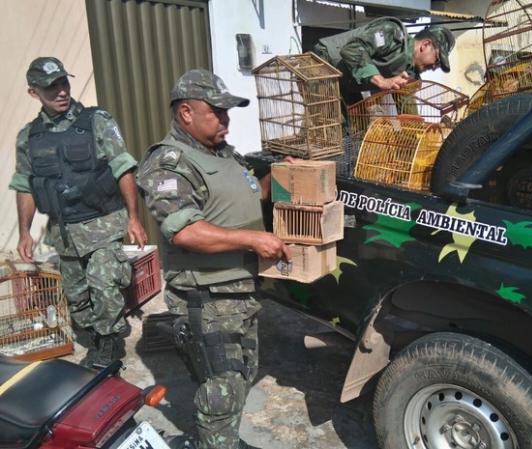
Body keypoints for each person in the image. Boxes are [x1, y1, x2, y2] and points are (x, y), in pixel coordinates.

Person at [136, 69, 290, 449]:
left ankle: (223, 440)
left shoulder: (225, 154)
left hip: (239, 289)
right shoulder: (168, 163)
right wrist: (253, 239)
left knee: (240, 375)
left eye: (227, 112)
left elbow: (248, 198)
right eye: (216, 112)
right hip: (206, 296)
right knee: (221, 387)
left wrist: (282, 174)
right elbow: (185, 231)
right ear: (186, 112)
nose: (225, 119)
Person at [9, 57, 148, 368]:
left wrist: (134, 218)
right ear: (34, 93)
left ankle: (108, 348)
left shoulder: (97, 121)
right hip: (65, 232)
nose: (61, 92)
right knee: (77, 298)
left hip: (104, 225)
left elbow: (123, 167)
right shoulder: (28, 137)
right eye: (51, 87)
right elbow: (25, 185)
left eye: (63, 83)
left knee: (104, 283)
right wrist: (24, 232)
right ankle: (98, 333)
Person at [314, 17, 455, 107]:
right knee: (330, 133)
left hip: (346, 82)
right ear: (425, 45)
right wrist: (382, 82)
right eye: (437, 59)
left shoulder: (410, 74)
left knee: (359, 132)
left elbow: (406, 108)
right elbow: (352, 49)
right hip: (323, 66)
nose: (435, 67)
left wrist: (415, 135)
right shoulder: (392, 34)